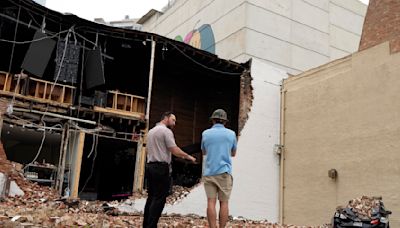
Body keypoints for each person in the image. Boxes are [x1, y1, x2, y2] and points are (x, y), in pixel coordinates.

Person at [143, 111, 196, 228]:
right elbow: (174, 149)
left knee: (151, 197)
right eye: (173, 120)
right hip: (161, 168)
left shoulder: (151, 131)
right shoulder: (166, 132)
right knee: (159, 199)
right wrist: (188, 157)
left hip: (150, 166)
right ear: (166, 118)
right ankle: (152, 225)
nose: (174, 123)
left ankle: (146, 225)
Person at [201, 109, 237, 228]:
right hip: (224, 172)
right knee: (224, 203)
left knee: (211, 202)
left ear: (212, 120)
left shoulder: (205, 133)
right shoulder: (231, 134)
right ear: (225, 122)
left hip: (209, 172)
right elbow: (233, 153)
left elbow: (204, 151)